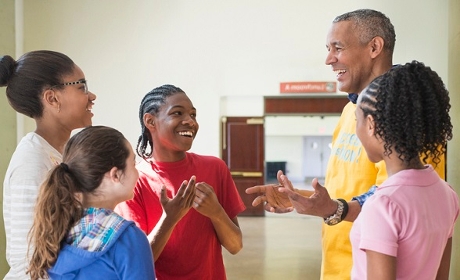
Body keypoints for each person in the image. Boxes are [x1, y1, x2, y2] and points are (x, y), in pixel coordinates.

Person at [246, 9, 446, 280]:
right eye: (328, 49)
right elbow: (349, 191)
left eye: (337, 48)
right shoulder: (349, 112)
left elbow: (397, 201)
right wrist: (301, 198)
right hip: (336, 271)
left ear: (374, 46)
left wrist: (332, 209)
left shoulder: (409, 116)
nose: (329, 59)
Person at [115, 84, 245, 279]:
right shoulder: (136, 180)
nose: (190, 121)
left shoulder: (215, 168)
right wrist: (170, 219)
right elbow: (137, 262)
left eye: (193, 115)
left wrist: (216, 212)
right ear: (150, 121)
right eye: (177, 113)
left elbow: (235, 246)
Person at [348, 61, 458, 279]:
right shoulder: (447, 194)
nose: (356, 129)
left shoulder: (383, 205)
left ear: (371, 124)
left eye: (357, 120)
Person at [1, 50, 97, 279]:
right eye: (81, 86)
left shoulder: (64, 154)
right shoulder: (31, 160)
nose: (91, 95)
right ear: (52, 98)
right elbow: (31, 258)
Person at [27, 125, 156, 279]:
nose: (137, 173)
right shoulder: (129, 239)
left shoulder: (56, 233)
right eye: (133, 164)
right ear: (115, 175)